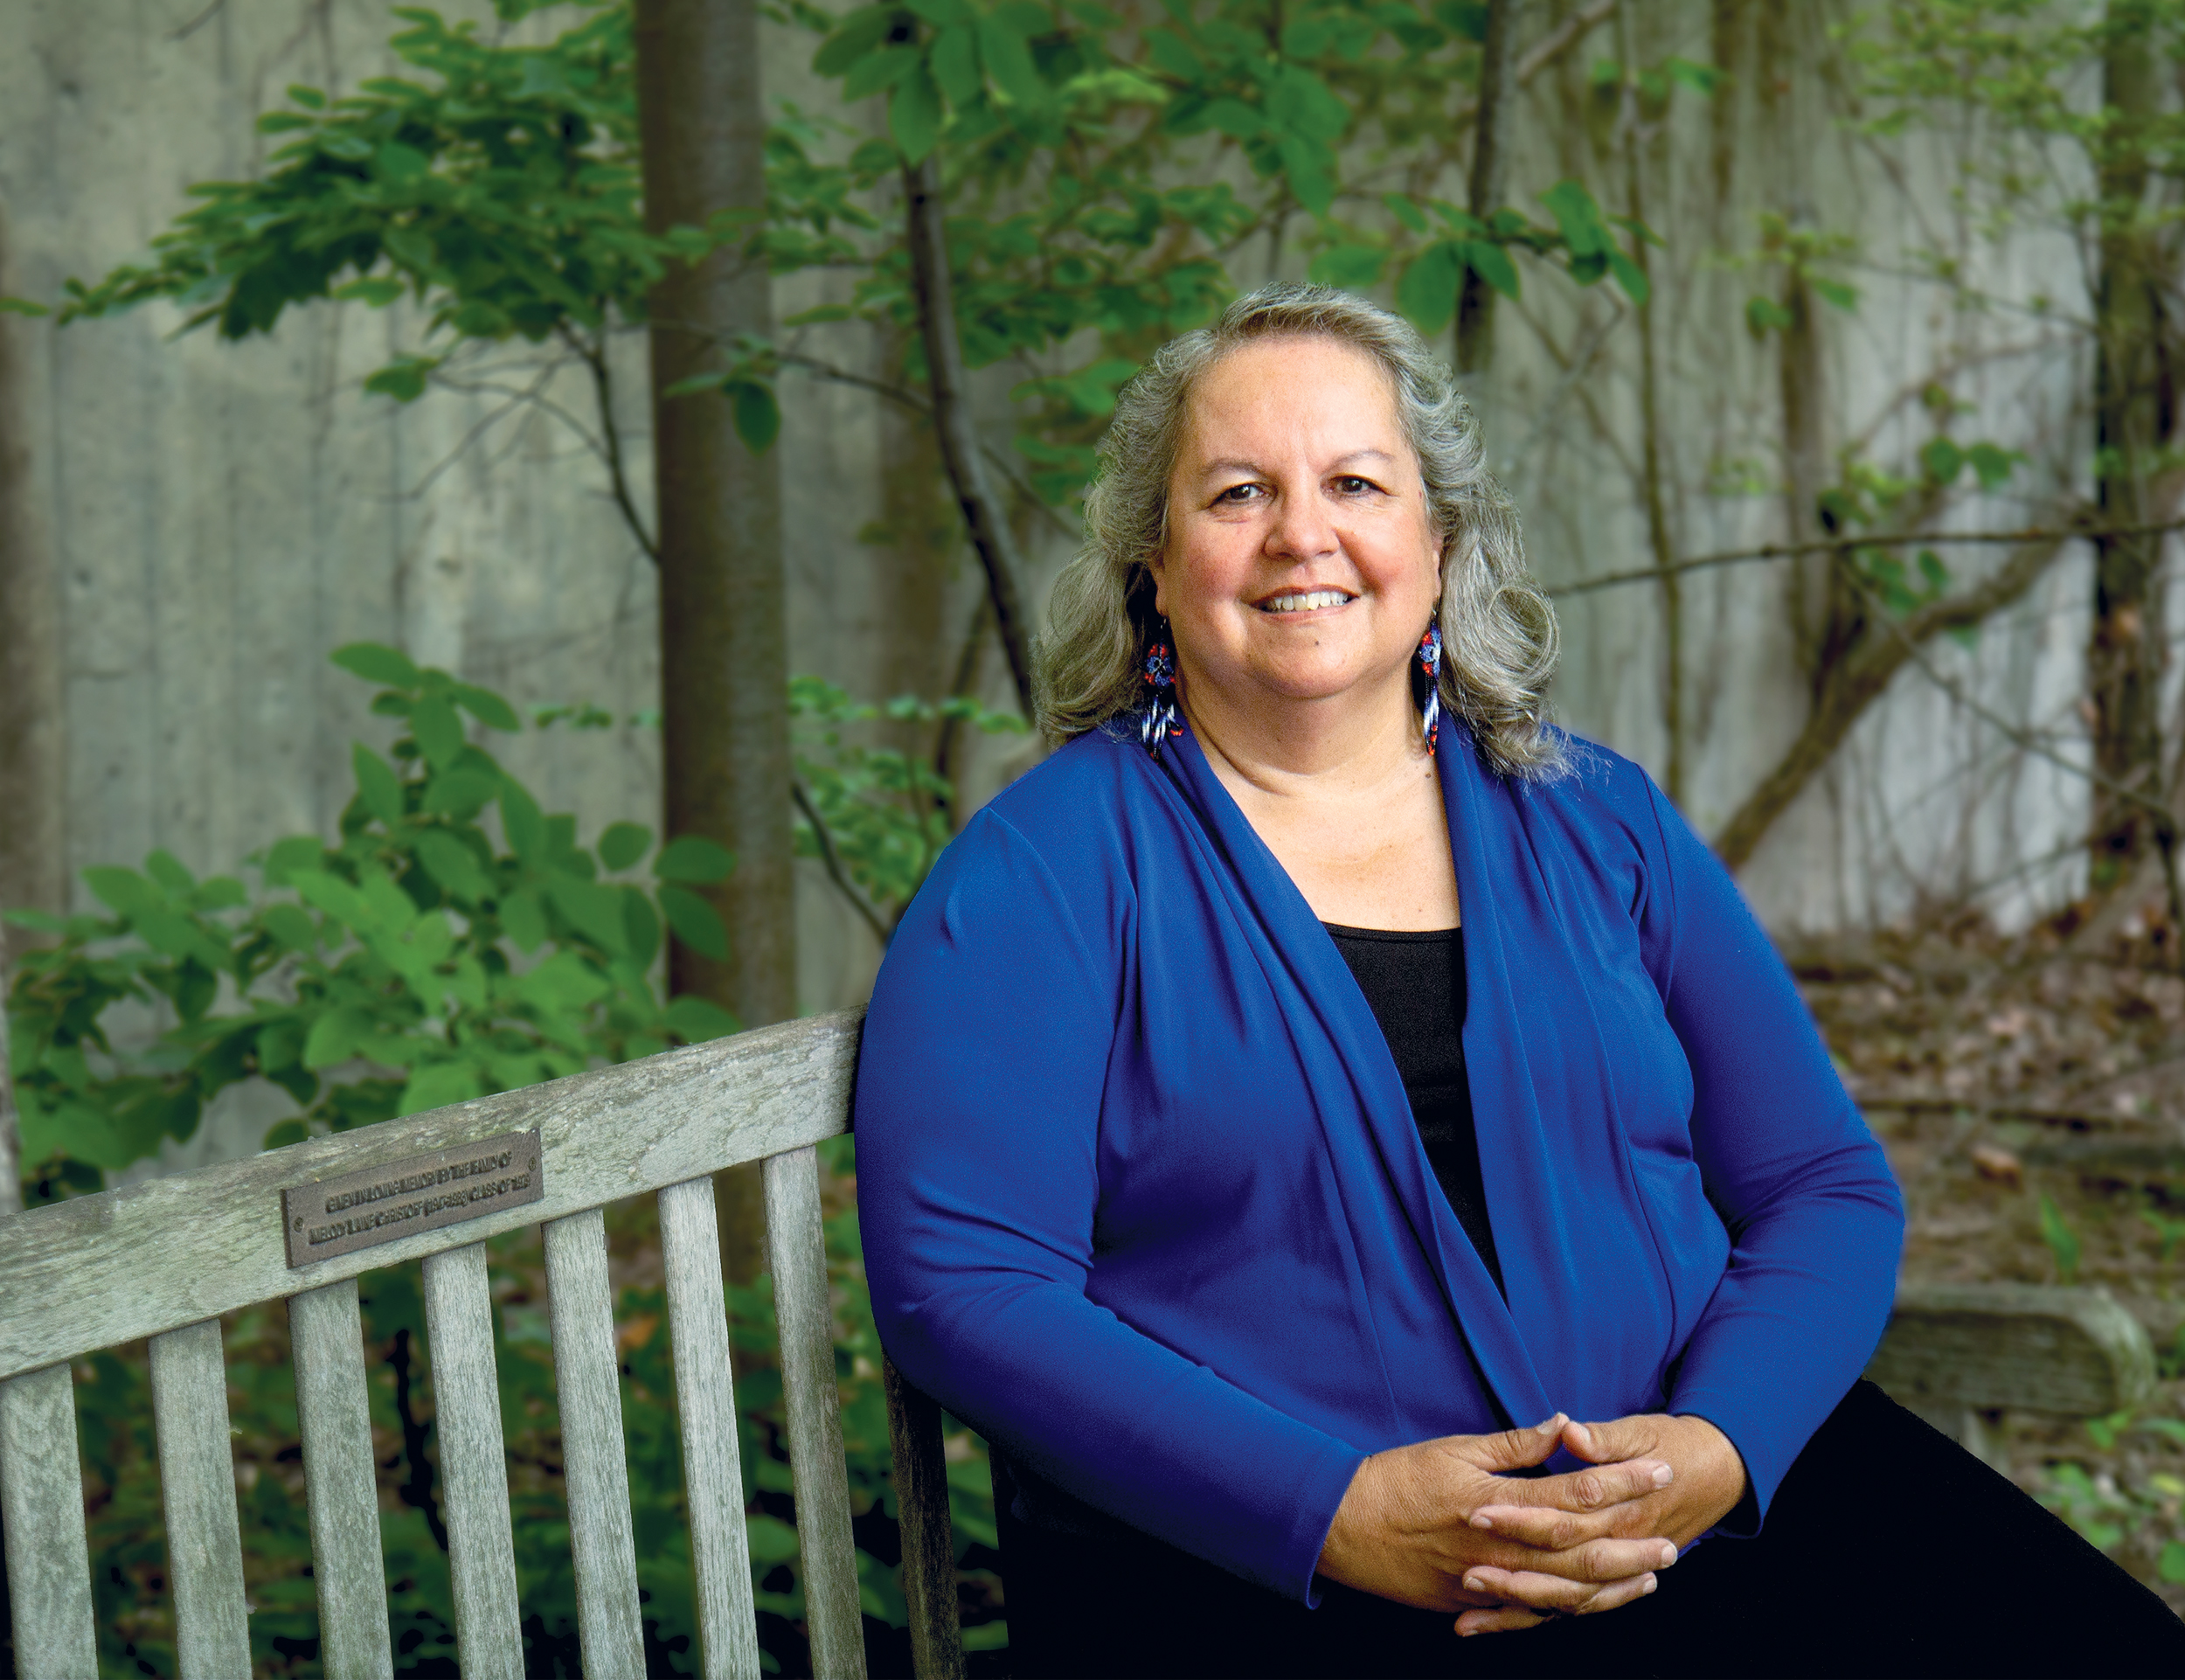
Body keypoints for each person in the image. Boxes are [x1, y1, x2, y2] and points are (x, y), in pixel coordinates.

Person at [852, 284, 2185, 1677]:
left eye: (1356, 483)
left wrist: (1720, 1445)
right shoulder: (1044, 872)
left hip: (1677, 1505)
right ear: (1154, 563)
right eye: (1239, 491)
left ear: (1433, 543)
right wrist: (1341, 1513)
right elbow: (967, 1283)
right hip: (1273, 1566)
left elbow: (1824, 1187)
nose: (1303, 533)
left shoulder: (1595, 818)